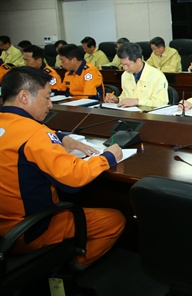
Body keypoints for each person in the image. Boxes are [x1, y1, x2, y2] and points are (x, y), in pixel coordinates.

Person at [0, 66, 125, 270]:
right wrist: (109, 157)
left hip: (3, 228)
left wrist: (60, 138)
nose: (50, 105)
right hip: (29, 231)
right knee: (115, 220)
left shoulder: (12, 126)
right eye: (47, 97)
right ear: (24, 97)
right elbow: (73, 179)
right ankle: (70, 269)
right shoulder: (35, 135)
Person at [104, 42, 168, 107]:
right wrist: (117, 100)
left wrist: (137, 101)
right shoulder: (125, 75)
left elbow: (161, 103)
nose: (125, 68)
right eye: (123, 64)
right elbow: (125, 97)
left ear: (138, 61)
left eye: (127, 64)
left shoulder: (157, 76)